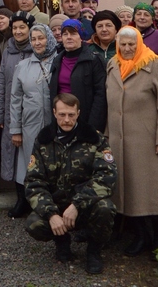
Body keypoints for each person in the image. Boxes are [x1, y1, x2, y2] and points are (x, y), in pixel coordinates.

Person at [25, 93, 117, 275]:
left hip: (84, 206)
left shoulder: (94, 139)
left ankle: (94, 251)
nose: (66, 120)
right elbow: (33, 182)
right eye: (62, 114)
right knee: (34, 224)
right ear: (54, 113)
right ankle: (62, 241)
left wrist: (77, 205)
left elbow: (107, 177)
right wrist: (51, 214)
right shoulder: (43, 140)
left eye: (71, 115)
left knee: (106, 209)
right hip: (57, 206)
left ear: (78, 113)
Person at [106, 26, 158, 257]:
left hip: (148, 141)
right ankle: (141, 236)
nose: (127, 49)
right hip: (120, 142)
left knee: (155, 191)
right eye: (123, 44)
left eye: (131, 44)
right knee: (130, 191)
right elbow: (110, 106)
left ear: (139, 44)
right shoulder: (112, 65)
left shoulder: (152, 64)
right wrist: (107, 138)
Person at [7, 23, 58, 219]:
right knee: (29, 162)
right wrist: (16, 129)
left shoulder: (59, 61)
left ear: (49, 39)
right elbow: (15, 100)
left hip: (54, 123)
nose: (37, 43)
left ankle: (52, 203)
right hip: (30, 124)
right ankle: (25, 200)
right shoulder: (23, 66)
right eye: (34, 39)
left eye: (41, 38)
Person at [0, 11, 34, 215]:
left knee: (32, 155)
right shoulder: (8, 50)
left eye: (22, 27)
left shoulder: (37, 49)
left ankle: (36, 199)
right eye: (14, 28)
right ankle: (20, 198)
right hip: (11, 111)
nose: (17, 31)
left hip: (33, 112)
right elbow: (0, 81)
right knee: (14, 155)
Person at [48, 19, 107, 132]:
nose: (69, 37)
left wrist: (92, 127)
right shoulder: (58, 60)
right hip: (61, 120)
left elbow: (100, 95)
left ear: (81, 36)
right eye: (65, 34)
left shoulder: (93, 59)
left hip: (84, 120)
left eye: (73, 33)